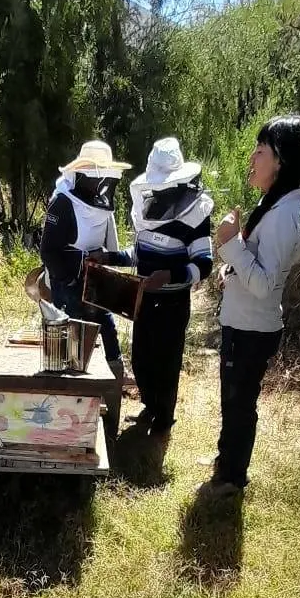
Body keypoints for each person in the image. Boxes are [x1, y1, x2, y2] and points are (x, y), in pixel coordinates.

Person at [211, 114, 300, 493]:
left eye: (260, 151)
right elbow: (255, 267)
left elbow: (265, 285)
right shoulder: (276, 204)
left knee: (239, 404)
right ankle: (227, 460)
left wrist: (229, 243)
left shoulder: (285, 216)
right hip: (244, 322)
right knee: (232, 400)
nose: (252, 158)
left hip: (252, 329)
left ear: (280, 161)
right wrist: (230, 268)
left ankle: (233, 478)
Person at [108, 138, 213, 435]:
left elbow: (204, 264)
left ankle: (164, 419)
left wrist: (169, 276)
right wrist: (111, 257)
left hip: (172, 304)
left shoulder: (196, 212)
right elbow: (139, 253)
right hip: (144, 298)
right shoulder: (148, 206)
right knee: (142, 358)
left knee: (166, 362)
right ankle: (150, 406)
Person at [40, 140, 131, 426]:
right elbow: (48, 251)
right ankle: (68, 416)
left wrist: (105, 263)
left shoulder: (102, 204)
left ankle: (110, 412)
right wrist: (73, 275)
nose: (99, 183)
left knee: (109, 335)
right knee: (71, 347)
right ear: (80, 174)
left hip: (96, 281)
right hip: (68, 285)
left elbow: (111, 248)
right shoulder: (62, 202)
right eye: (94, 177)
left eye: (102, 178)